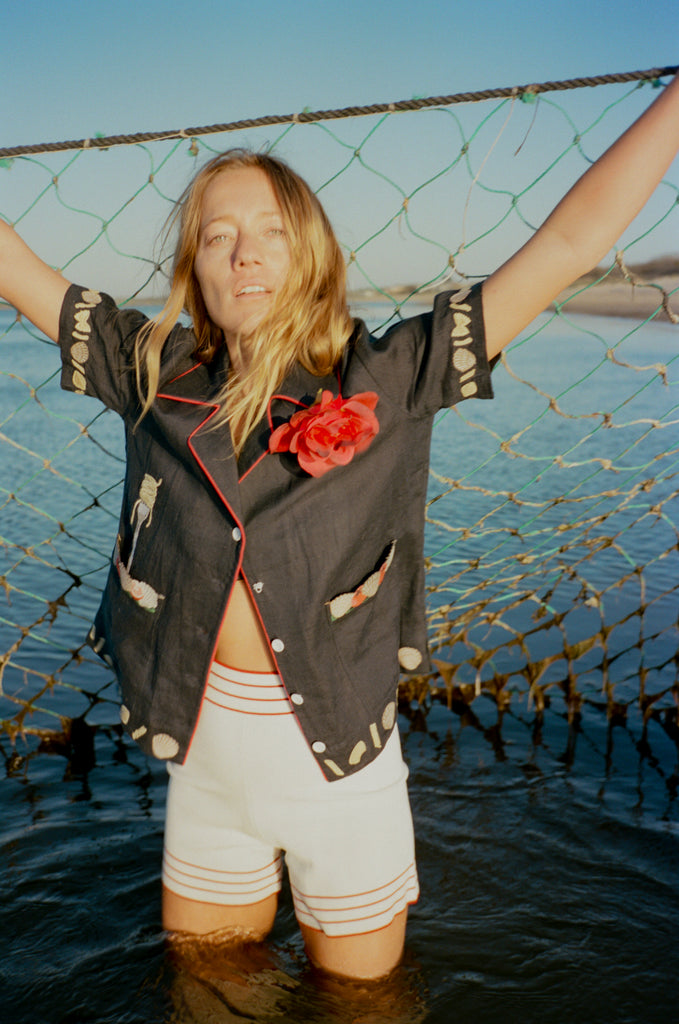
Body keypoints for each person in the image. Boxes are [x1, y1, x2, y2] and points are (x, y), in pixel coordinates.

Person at [1, 70, 678, 982]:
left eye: (273, 233)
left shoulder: (392, 374)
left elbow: (566, 244)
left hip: (342, 783)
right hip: (205, 784)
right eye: (219, 236)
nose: (246, 255)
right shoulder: (146, 370)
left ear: (312, 256)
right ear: (193, 271)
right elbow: (16, 265)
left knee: (364, 1008)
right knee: (206, 992)